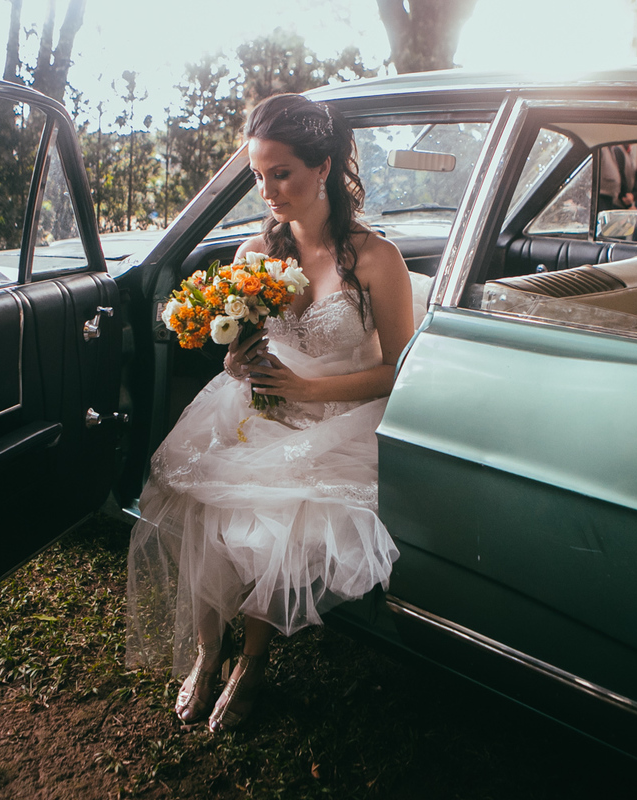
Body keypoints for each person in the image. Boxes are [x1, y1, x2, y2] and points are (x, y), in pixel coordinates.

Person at [126, 94, 416, 733]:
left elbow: (402, 371)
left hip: (339, 417)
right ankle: (209, 650)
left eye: (280, 173)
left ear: (324, 166)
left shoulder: (376, 258)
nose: (268, 191)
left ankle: (251, 663)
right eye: (258, 176)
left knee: (268, 522)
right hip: (256, 407)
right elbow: (235, 359)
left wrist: (307, 394)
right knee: (199, 500)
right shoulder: (255, 252)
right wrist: (239, 365)